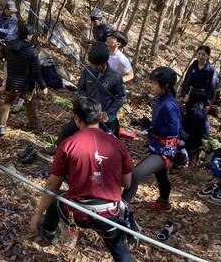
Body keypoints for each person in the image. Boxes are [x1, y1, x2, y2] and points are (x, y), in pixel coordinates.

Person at [30, 96, 134, 262]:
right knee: (119, 249)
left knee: (57, 199)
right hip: (108, 213)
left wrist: (37, 215)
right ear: (100, 117)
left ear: (77, 118)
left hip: (76, 212)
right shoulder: (117, 144)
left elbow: (52, 185)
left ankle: (48, 231)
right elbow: (127, 183)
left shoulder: (68, 144)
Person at [122, 67, 181, 212]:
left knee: (135, 174)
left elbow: (173, 131)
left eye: (155, 84)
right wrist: (145, 123)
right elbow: (161, 124)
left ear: (165, 86)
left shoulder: (168, 105)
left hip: (165, 151)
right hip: (158, 146)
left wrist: (151, 127)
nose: (151, 86)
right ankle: (164, 203)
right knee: (161, 176)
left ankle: (121, 205)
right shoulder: (161, 99)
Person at [56, 44, 126, 146]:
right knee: (67, 130)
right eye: (92, 64)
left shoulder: (115, 77)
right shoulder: (87, 71)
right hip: (87, 113)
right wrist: (85, 102)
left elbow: (121, 97)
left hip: (106, 117)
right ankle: (56, 147)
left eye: (96, 65)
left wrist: (109, 113)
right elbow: (81, 88)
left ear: (104, 63)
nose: (93, 67)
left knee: (109, 144)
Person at [0, 24, 48, 136]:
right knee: (29, 104)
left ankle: (1, 127)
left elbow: (5, 62)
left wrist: (5, 79)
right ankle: (33, 125)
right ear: (28, 36)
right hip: (26, 84)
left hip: (12, 83)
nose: (32, 36)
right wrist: (43, 86)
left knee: (7, 103)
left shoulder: (10, 45)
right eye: (31, 34)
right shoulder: (31, 51)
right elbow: (36, 71)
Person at [178, 45, 218, 111]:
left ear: (208, 56)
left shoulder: (211, 70)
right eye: (199, 54)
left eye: (203, 54)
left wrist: (208, 103)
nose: (200, 56)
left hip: (202, 97)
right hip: (189, 95)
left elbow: (212, 88)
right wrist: (183, 95)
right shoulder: (193, 66)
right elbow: (187, 81)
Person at [0, 0, 18, 85]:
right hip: (0, 41)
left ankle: (6, 80)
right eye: (11, 10)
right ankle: (5, 78)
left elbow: (9, 31)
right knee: (3, 60)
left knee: (7, 62)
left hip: (10, 42)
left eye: (13, 11)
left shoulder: (14, 19)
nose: (13, 12)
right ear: (6, 9)